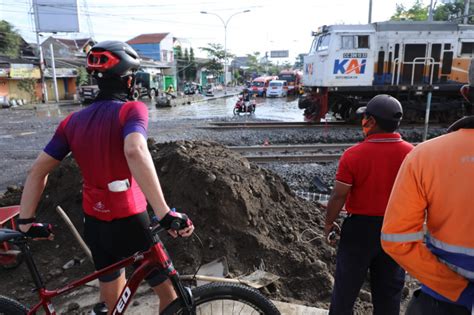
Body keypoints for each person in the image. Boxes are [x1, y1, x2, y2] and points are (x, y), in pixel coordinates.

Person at [16, 41, 194, 313]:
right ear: (129, 80)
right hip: (131, 218)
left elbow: (37, 171)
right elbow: (134, 150)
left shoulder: (71, 122)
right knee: (170, 296)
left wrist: (26, 222)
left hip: (95, 223)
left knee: (112, 302)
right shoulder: (131, 110)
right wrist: (164, 211)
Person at [324, 94, 414, 314]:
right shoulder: (412, 154)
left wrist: (328, 224)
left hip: (359, 231)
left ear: (371, 121)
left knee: (345, 291)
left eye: (365, 117)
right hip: (395, 229)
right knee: (389, 293)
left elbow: (338, 195)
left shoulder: (353, 155)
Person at [381, 115, 474, 314]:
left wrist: (459, 290)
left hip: (443, 301)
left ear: (466, 93)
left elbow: (396, 240)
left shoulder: (425, 154)